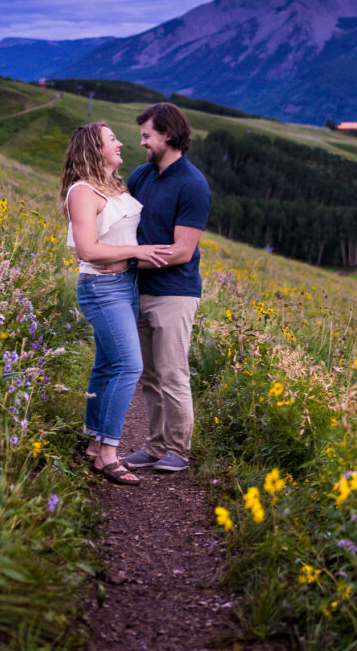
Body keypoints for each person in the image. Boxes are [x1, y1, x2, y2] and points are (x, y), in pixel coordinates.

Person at [61, 122, 172, 486]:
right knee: (128, 365)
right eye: (112, 139)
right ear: (95, 149)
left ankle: (94, 442)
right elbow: (87, 249)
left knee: (108, 365)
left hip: (125, 284)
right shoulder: (83, 191)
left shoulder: (114, 186)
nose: (121, 142)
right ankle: (108, 452)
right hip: (101, 285)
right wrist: (138, 251)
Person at [122, 103, 211, 474]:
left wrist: (125, 260)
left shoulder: (192, 184)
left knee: (173, 373)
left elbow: (182, 252)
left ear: (169, 135)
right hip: (138, 289)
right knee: (149, 376)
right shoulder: (141, 176)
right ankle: (155, 446)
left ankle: (178, 449)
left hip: (175, 293)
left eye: (147, 136)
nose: (141, 142)